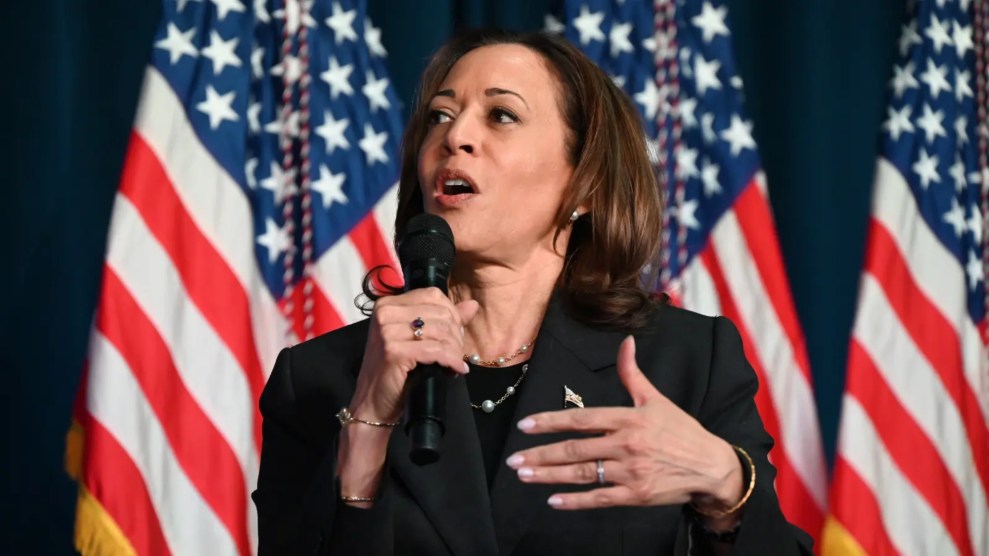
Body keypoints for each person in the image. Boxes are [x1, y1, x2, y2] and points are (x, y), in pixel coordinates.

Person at [252, 28, 812, 555]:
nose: (454, 136)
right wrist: (367, 427)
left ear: (585, 185)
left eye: (501, 115)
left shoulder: (686, 361)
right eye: (440, 115)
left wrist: (725, 487)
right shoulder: (320, 379)